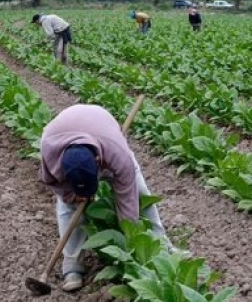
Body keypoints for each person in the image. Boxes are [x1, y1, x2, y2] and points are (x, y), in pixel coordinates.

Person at [39, 104, 175, 291]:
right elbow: (51, 182)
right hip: (65, 134)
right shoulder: (49, 150)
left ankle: (162, 245)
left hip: (102, 127)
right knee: (67, 208)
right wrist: (71, 195)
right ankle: (72, 266)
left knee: (140, 193)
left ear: (98, 164)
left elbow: (127, 199)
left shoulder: (116, 152)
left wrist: (131, 238)